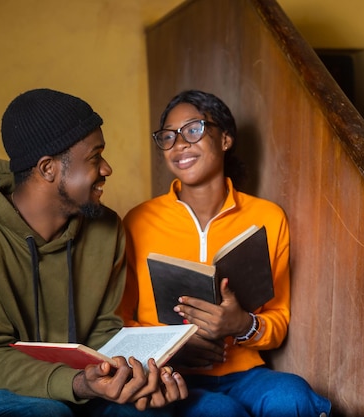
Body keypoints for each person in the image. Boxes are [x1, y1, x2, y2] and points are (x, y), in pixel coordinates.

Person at [0, 88, 189, 417]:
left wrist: (139, 376)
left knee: (171, 411)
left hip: (80, 382)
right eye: (95, 157)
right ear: (49, 168)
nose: (107, 169)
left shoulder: (106, 228)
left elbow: (103, 333)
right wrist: (79, 383)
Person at [118, 89, 332, 417]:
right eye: (168, 137)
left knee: (292, 396)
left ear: (225, 140)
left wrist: (242, 324)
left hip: (244, 372)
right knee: (218, 411)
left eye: (193, 130)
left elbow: (278, 320)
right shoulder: (138, 221)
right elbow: (119, 321)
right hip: (170, 376)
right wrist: (169, 350)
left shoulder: (268, 218)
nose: (179, 144)